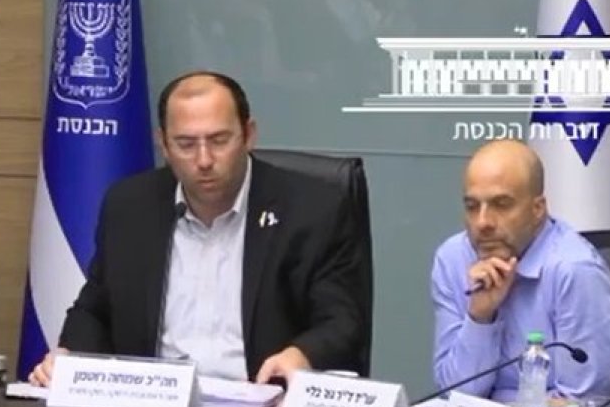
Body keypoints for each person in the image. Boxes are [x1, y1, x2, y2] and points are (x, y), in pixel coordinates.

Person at [29, 71, 367, 386]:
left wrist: (300, 355)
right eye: (186, 144)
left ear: (248, 135)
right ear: (164, 144)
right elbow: (96, 308)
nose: (204, 160)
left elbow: (342, 321)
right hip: (154, 406)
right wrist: (67, 356)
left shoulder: (312, 209)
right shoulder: (130, 207)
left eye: (219, 140)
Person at [431, 139, 610, 402]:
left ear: (537, 209)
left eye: (501, 204)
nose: (483, 222)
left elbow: (585, 403)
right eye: (472, 207)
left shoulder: (574, 270)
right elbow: (455, 394)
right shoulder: (453, 259)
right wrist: (480, 317)